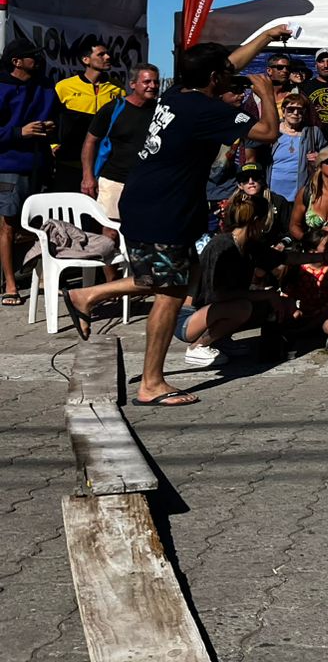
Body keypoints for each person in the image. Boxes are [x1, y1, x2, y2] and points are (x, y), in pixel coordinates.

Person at [66, 29, 286, 405]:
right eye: (225, 73)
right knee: (169, 293)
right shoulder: (207, 110)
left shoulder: (177, 94)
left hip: (147, 200)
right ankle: (151, 384)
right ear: (214, 78)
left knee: (175, 278)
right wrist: (265, 92)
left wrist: (265, 36)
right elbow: (267, 132)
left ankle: (87, 294)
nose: (232, 75)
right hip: (163, 208)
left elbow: (229, 64)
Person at [178, 190, 273, 367]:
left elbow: (284, 258)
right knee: (243, 307)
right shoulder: (222, 246)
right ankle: (198, 346)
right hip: (189, 317)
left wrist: (322, 257)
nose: (264, 227)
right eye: (263, 222)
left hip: (210, 310)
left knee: (262, 307)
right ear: (256, 221)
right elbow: (216, 295)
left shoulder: (248, 245)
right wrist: (264, 294)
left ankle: (220, 339)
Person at [0, 41, 56, 306]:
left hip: (40, 164)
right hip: (9, 167)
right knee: (7, 226)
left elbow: (59, 118)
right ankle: (10, 285)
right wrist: (17, 132)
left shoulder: (46, 86)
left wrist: (53, 127)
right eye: (32, 56)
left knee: (43, 226)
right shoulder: (2, 87)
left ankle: (43, 279)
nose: (38, 60)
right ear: (16, 62)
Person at [80, 63, 160, 222]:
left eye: (156, 82)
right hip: (114, 181)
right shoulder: (113, 109)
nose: (152, 86)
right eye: (147, 82)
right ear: (132, 84)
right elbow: (90, 142)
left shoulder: (161, 111)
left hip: (147, 182)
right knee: (110, 229)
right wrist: (88, 176)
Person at [52, 37, 124, 194]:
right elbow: (52, 118)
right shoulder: (64, 87)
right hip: (70, 161)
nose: (108, 57)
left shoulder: (117, 89)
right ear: (86, 60)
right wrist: (54, 145)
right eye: (101, 54)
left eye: (107, 54)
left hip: (103, 161)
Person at [266, 92, 328, 200]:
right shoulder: (273, 131)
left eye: (300, 111)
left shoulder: (313, 132)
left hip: (302, 190)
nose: (295, 113)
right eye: (291, 109)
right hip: (274, 189)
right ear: (283, 111)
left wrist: (319, 157)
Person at [302, 49, 328, 135]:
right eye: (321, 61)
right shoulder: (305, 87)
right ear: (316, 65)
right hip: (314, 137)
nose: (326, 65)